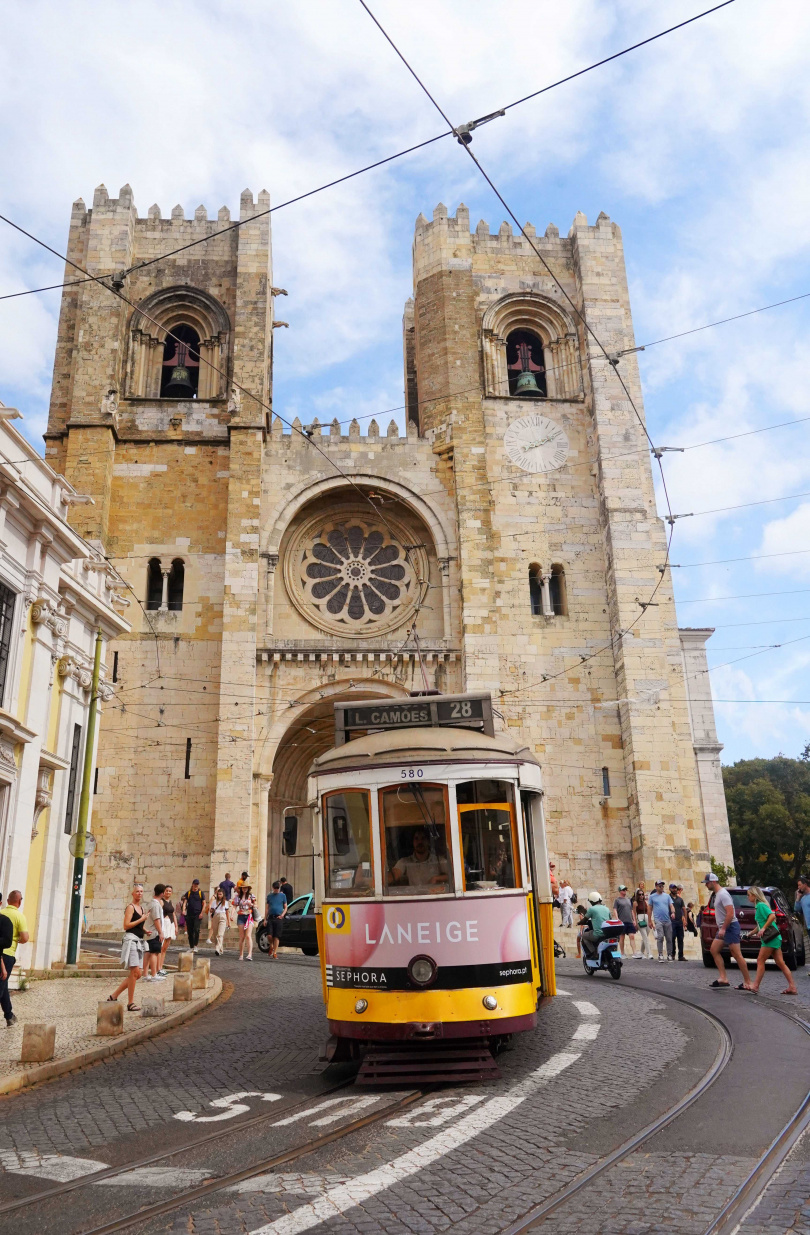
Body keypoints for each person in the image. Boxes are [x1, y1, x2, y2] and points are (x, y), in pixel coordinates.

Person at [705, 872, 753, 990]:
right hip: (724, 928)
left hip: (730, 927)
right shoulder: (717, 894)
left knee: (736, 954)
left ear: (713, 882)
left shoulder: (723, 894)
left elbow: (730, 913)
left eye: (707, 883)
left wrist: (723, 929)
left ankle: (747, 982)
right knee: (714, 950)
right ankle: (723, 978)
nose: (706, 885)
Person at [746, 886, 797, 996]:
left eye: (749, 895)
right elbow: (760, 925)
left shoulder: (760, 906)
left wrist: (763, 928)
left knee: (760, 960)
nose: (747, 897)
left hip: (770, 938)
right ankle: (792, 986)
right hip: (774, 938)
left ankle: (755, 986)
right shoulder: (759, 906)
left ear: (754, 895)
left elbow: (772, 916)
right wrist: (750, 934)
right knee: (780, 963)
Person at [108, 883, 148, 1011]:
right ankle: (130, 1003)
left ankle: (113, 996)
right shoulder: (130, 908)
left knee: (138, 974)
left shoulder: (141, 908)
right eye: (137, 891)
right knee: (134, 972)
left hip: (139, 941)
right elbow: (126, 925)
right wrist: (141, 920)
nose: (139, 893)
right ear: (133, 893)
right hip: (131, 940)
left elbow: (138, 925)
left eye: (141, 891)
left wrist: (145, 930)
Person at [0, 890, 28, 1027]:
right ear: (19, 901)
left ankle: (9, 1016)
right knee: (1, 986)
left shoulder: (2, 913)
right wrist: (17, 940)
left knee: (3, 985)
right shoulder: (19, 916)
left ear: (7, 901)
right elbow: (25, 937)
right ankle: (9, 1016)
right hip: (8, 954)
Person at [142, 883, 165, 981]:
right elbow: (156, 919)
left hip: (149, 932)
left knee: (148, 952)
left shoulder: (150, 903)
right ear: (162, 893)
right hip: (154, 932)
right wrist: (160, 932)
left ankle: (145, 974)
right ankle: (154, 974)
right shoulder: (155, 905)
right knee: (154, 953)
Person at [648, 880, 675, 963]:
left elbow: (671, 905)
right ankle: (660, 954)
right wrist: (649, 920)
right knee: (660, 937)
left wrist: (673, 912)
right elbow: (650, 908)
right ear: (656, 887)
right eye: (660, 886)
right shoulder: (652, 897)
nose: (661, 887)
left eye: (662, 886)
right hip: (658, 920)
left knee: (669, 938)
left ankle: (669, 955)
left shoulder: (667, 896)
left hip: (667, 920)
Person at [580, 891, 611, 960]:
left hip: (598, 934)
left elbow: (585, 920)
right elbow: (610, 919)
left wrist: (579, 923)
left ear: (592, 901)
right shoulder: (607, 909)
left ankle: (594, 952)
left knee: (584, 936)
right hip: (607, 933)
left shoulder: (592, 909)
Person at [264, 881, 288, 959]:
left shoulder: (283, 896)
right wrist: (265, 919)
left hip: (279, 917)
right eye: (275, 888)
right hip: (271, 917)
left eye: (278, 888)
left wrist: (282, 915)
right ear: (273, 888)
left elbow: (285, 907)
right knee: (269, 935)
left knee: (277, 936)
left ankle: (275, 952)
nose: (277, 889)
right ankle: (271, 945)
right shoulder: (270, 896)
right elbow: (267, 908)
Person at [612, 884, 638, 957]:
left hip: (629, 921)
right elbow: (615, 909)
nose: (625, 891)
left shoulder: (629, 900)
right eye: (623, 890)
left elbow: (631, 910)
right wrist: (617, 919)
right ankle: (622, 953)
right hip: (622, 921)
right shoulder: (617, 900)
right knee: (622, 937)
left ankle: (635, 953)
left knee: (632, 936)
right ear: (620, 891)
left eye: (625, 890)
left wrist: (634, 920)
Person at [181, 880, 206, 951]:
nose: (196, 886)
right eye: (195, 884)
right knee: (190, 931)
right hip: (189, 914)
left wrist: (202, 913)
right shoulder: (188, 893)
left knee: (196, 929)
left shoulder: (201, 893)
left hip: (197, 914)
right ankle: (191, 946)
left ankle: (195, 945)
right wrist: (183, 910)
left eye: (197, 884)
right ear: (192, 884)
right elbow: (185, 902)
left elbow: (204, 903)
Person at [157, 885, 176, 976]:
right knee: (161, 947)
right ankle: (158, 968)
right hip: (164, 923)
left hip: (171, 924)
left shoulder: (171, 902)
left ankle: (161, 966)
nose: (168, 892)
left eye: (170, 891)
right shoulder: (161, 901)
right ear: (164, 892)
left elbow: (174, 914)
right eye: (167, 891)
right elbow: (159, 913)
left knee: (165, 948)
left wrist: (176, 926)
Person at [236, 884, 257, 961]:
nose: (245, 889)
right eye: (243, 888)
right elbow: (235, 905)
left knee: (248, 935)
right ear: (241, 889)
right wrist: (232, 914)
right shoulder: (238, 897)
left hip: (249, 916)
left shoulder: (251, 896)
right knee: (242, 936)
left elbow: (256, 905)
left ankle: (249, 954)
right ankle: (241, 954)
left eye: (246, 888)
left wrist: (251, 904)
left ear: (248, 889)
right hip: (241, 916)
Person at [208, 887, 232, 954]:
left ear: (223, 894)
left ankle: (217, 949)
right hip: (216, 916)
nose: (219, 896)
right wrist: (211, 910)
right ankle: (220, 949)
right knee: (215, 934)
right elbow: (212, 910)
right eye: (218, 894)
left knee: (220, 934)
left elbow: (227, 912)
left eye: (220, 894)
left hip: (223, 917)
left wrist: (228, 922)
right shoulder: (214, 902)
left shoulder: (226, 902)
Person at [795, 875, 810, 977]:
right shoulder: (803, 898)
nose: (798, 887)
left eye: (800, 885)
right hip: (808, 927)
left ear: (805, 885)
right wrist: (798, 898)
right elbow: (796, 910)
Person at [633, 883, 652, 959]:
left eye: (642, 894)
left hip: (646, 917)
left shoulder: (645, 902)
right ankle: (649, 953)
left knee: (646, 936)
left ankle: (641, 952)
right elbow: (634, 913)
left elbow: (648, 911)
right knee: (645, 937)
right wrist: (635, 922)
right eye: (639, 894)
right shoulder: (635, 903)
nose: (641, 896)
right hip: (640, 918)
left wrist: (651, 921)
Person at [669, 882, 687, 961]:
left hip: (679, 921)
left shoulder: (680, 899)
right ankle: (672, 954)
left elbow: (684, 909)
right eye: (673, 888)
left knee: (680, 938)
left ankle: (681, 955)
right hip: (671, 921)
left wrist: (685, 919)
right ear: (670, 889)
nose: (675, 889)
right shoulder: (668, 898)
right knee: (672, 938)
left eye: (675, 888)